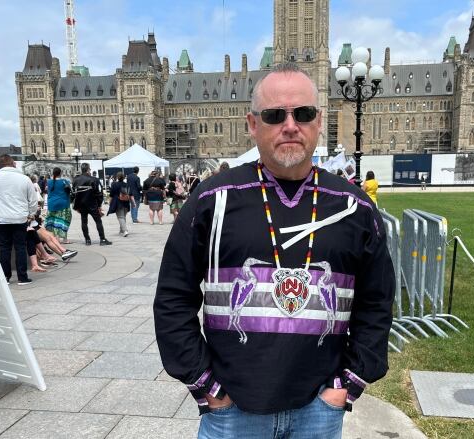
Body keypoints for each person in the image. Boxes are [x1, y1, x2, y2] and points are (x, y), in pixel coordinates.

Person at [154, 63, 394, 438]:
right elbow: (172, 296)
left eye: (303, 113)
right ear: (252, 124)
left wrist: (346, 385)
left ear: (318, 122)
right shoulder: (212, 199)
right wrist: (206, 386)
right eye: (273, 115)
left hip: (318, 411)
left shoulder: (355, 207)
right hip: (231, 414)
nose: (290, 125)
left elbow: (377, 301)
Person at [0, 154, 39, 286]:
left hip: (0, 219)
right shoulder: (24, 179)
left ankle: (5, 276)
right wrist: (31, 214)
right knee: (20, 247)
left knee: (5, 248)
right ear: (14, 163)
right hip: (19, 218)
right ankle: (22, 277)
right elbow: (33, 200)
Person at [72, 163, 112, 246]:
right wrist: (99, 205)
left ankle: (87, 240)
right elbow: (99, 193)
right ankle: (102, 239)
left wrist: (76, 206)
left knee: (84, 222)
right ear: (88, 170)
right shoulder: (94, 179)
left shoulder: (75, 180)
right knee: (98, 221)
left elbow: (73, 194)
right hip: (92, 204)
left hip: (82, 204)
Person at [45, 167, 73, 244]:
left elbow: (47, 190)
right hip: (63, 203)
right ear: (60, 173)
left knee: (53, 221)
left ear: (53, 173)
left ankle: (55, 238)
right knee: (64, 221)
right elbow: (70, 191)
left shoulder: (49, 181)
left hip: (52, 204)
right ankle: (64, 239)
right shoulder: (64, 181)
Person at [108, 172, 130, 237]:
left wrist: (110, 202)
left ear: (117, 177)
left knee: (120, 217)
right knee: (123, 216)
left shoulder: (114, 184)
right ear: (123, 177)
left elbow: (111, 194)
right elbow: (130, 194)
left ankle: (125, 230)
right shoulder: (127, 184)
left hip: (118, 202)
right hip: (126, 202)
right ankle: (121, 230)